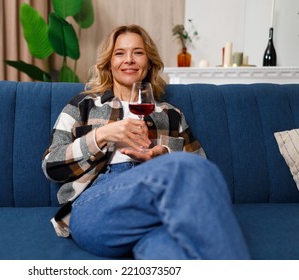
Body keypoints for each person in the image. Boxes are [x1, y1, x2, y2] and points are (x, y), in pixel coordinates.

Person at [42, 24, 250, 259]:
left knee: (168, 252)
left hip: (160, 207)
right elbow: (51, 166)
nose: (129, 60)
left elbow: (200, 169)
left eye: (138, 52)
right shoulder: (83, 104)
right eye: (119, 53)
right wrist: (101, 135)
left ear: (149, 62)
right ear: (109, 63)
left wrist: (162, 156)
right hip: (97, 204)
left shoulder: (170, 113)